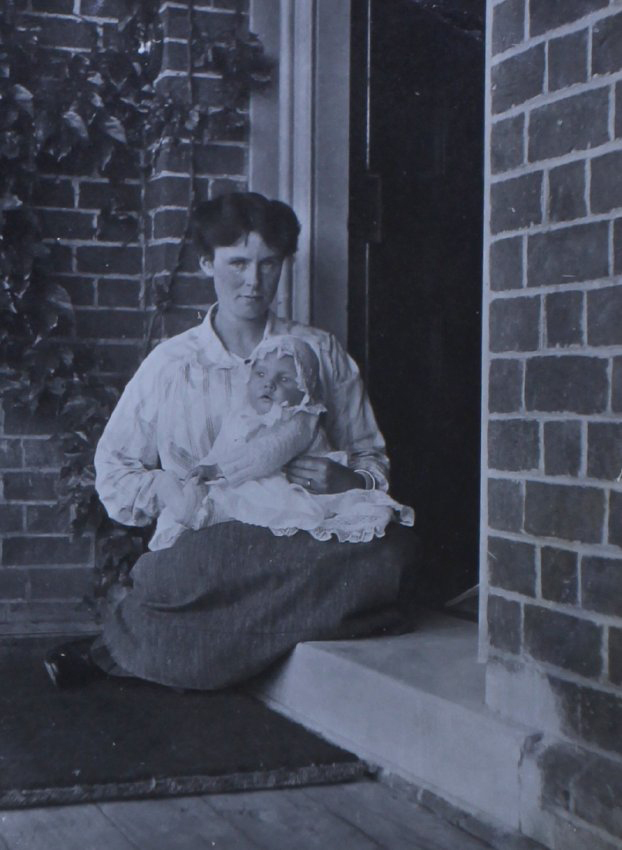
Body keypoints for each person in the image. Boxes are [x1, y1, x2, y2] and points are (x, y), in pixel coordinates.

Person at [44, 192, 417, 691]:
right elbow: (114, 471)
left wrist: (348, 477)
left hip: (306, 532)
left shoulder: (318, 352)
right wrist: (169, 491)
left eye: (269, 264)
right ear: (206, 263)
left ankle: (153, 649)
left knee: (395, 551)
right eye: (237, 263)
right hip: (213, 541)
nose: (253, 281)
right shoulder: (171, 364)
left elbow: (371, 455)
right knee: (189, 568)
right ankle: (320, 621)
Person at [162, 333, 415, 547]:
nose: (268, 384)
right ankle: (187, 503)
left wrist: (218, 469)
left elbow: (268, 452)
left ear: (305, 390)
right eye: (260, 374)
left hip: (298, 490)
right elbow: (222, 450)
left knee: (253, 507)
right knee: (221, 497)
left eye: (283, 379)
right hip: (253, 480)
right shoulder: (241, 415)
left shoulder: (301, 418)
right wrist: (203, 472)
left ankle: (202, 514)